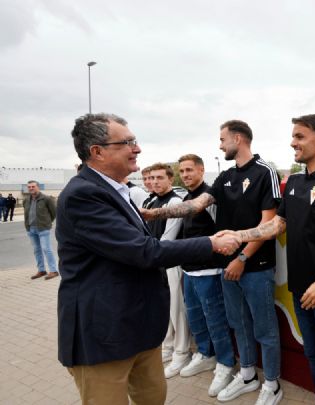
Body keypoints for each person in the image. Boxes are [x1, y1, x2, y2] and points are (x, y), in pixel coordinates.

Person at [56, 113, 240, 405]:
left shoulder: (117, 191)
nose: (137, 148)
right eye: (127, 142)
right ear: (98, 151)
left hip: (138, 330)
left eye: (135, 141)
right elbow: (143, 251)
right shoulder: (83, 194)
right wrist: (211, 244)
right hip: (105, 336)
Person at [216, 114, 315, 405]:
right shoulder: (296, 181)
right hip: (301, 292)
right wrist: (239, 235)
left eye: (299, 136)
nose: (292, 143)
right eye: (293, 137)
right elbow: (277, 225)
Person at [145, 120, 283, 405]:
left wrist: (243, 258)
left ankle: (272, 383)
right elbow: (195, 205)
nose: (219, 145)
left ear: (239, 138)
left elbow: (268, 224)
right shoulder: (227, 176)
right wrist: (152, 214)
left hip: (255, 267)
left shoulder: (264, 171)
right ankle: (247, 375)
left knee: (264, 329)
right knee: (238, 324)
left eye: (222, 140)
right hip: (227, 266)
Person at [173, 154, 236, 398]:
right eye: (182, 171)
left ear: (201, 170)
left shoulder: (210, 198)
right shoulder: (186, 198)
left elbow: (223, 233)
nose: (186, 175)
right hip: (188, 271)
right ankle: (205, 355)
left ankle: (226, 364)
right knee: (195, 318)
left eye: (190, 170)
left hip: (209, 272)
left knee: (215, 320)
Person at [145, 163, 192, 378]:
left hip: (170, 261)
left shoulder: (175, 201)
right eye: (151, 178)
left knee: (177, 309)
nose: (154, 182)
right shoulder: (152, 200)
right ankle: (169, 346)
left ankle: (182, 352)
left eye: (159, 178)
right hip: (155, 260)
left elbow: (169, 235)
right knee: (165, 308)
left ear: (170, 180)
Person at [24, 181, 59, 280]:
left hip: (43, 229)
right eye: (29, 187)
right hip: (31, 229)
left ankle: (53, 271)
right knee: (36, 250)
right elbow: (26, 214)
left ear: (38, 187)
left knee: (46, 249)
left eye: (33, 186)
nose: (31, 188)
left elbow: (54, 213)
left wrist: (47, 223)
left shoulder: (47, 199)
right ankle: (41, 270)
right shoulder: (26, 200)